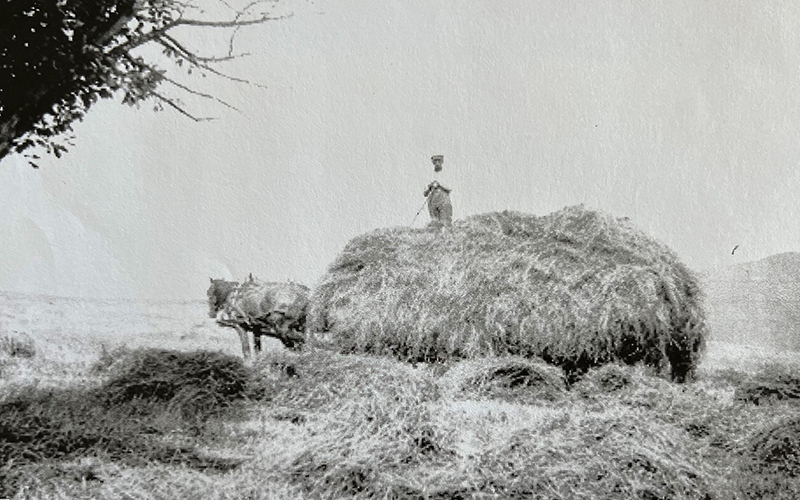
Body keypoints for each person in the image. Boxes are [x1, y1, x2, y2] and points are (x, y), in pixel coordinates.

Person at [423, 154, 453, 227]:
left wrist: (439, 185)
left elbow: (450, 188)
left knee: (446, 222)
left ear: (442, 162)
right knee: (435, 222)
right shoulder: (429, 175)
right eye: (435, 161)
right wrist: (430, 186)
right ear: (433, 162)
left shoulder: (446, 173)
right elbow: (425, 193)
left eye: (438, 161)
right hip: (432, 200)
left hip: (444, 200)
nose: (437, 163)